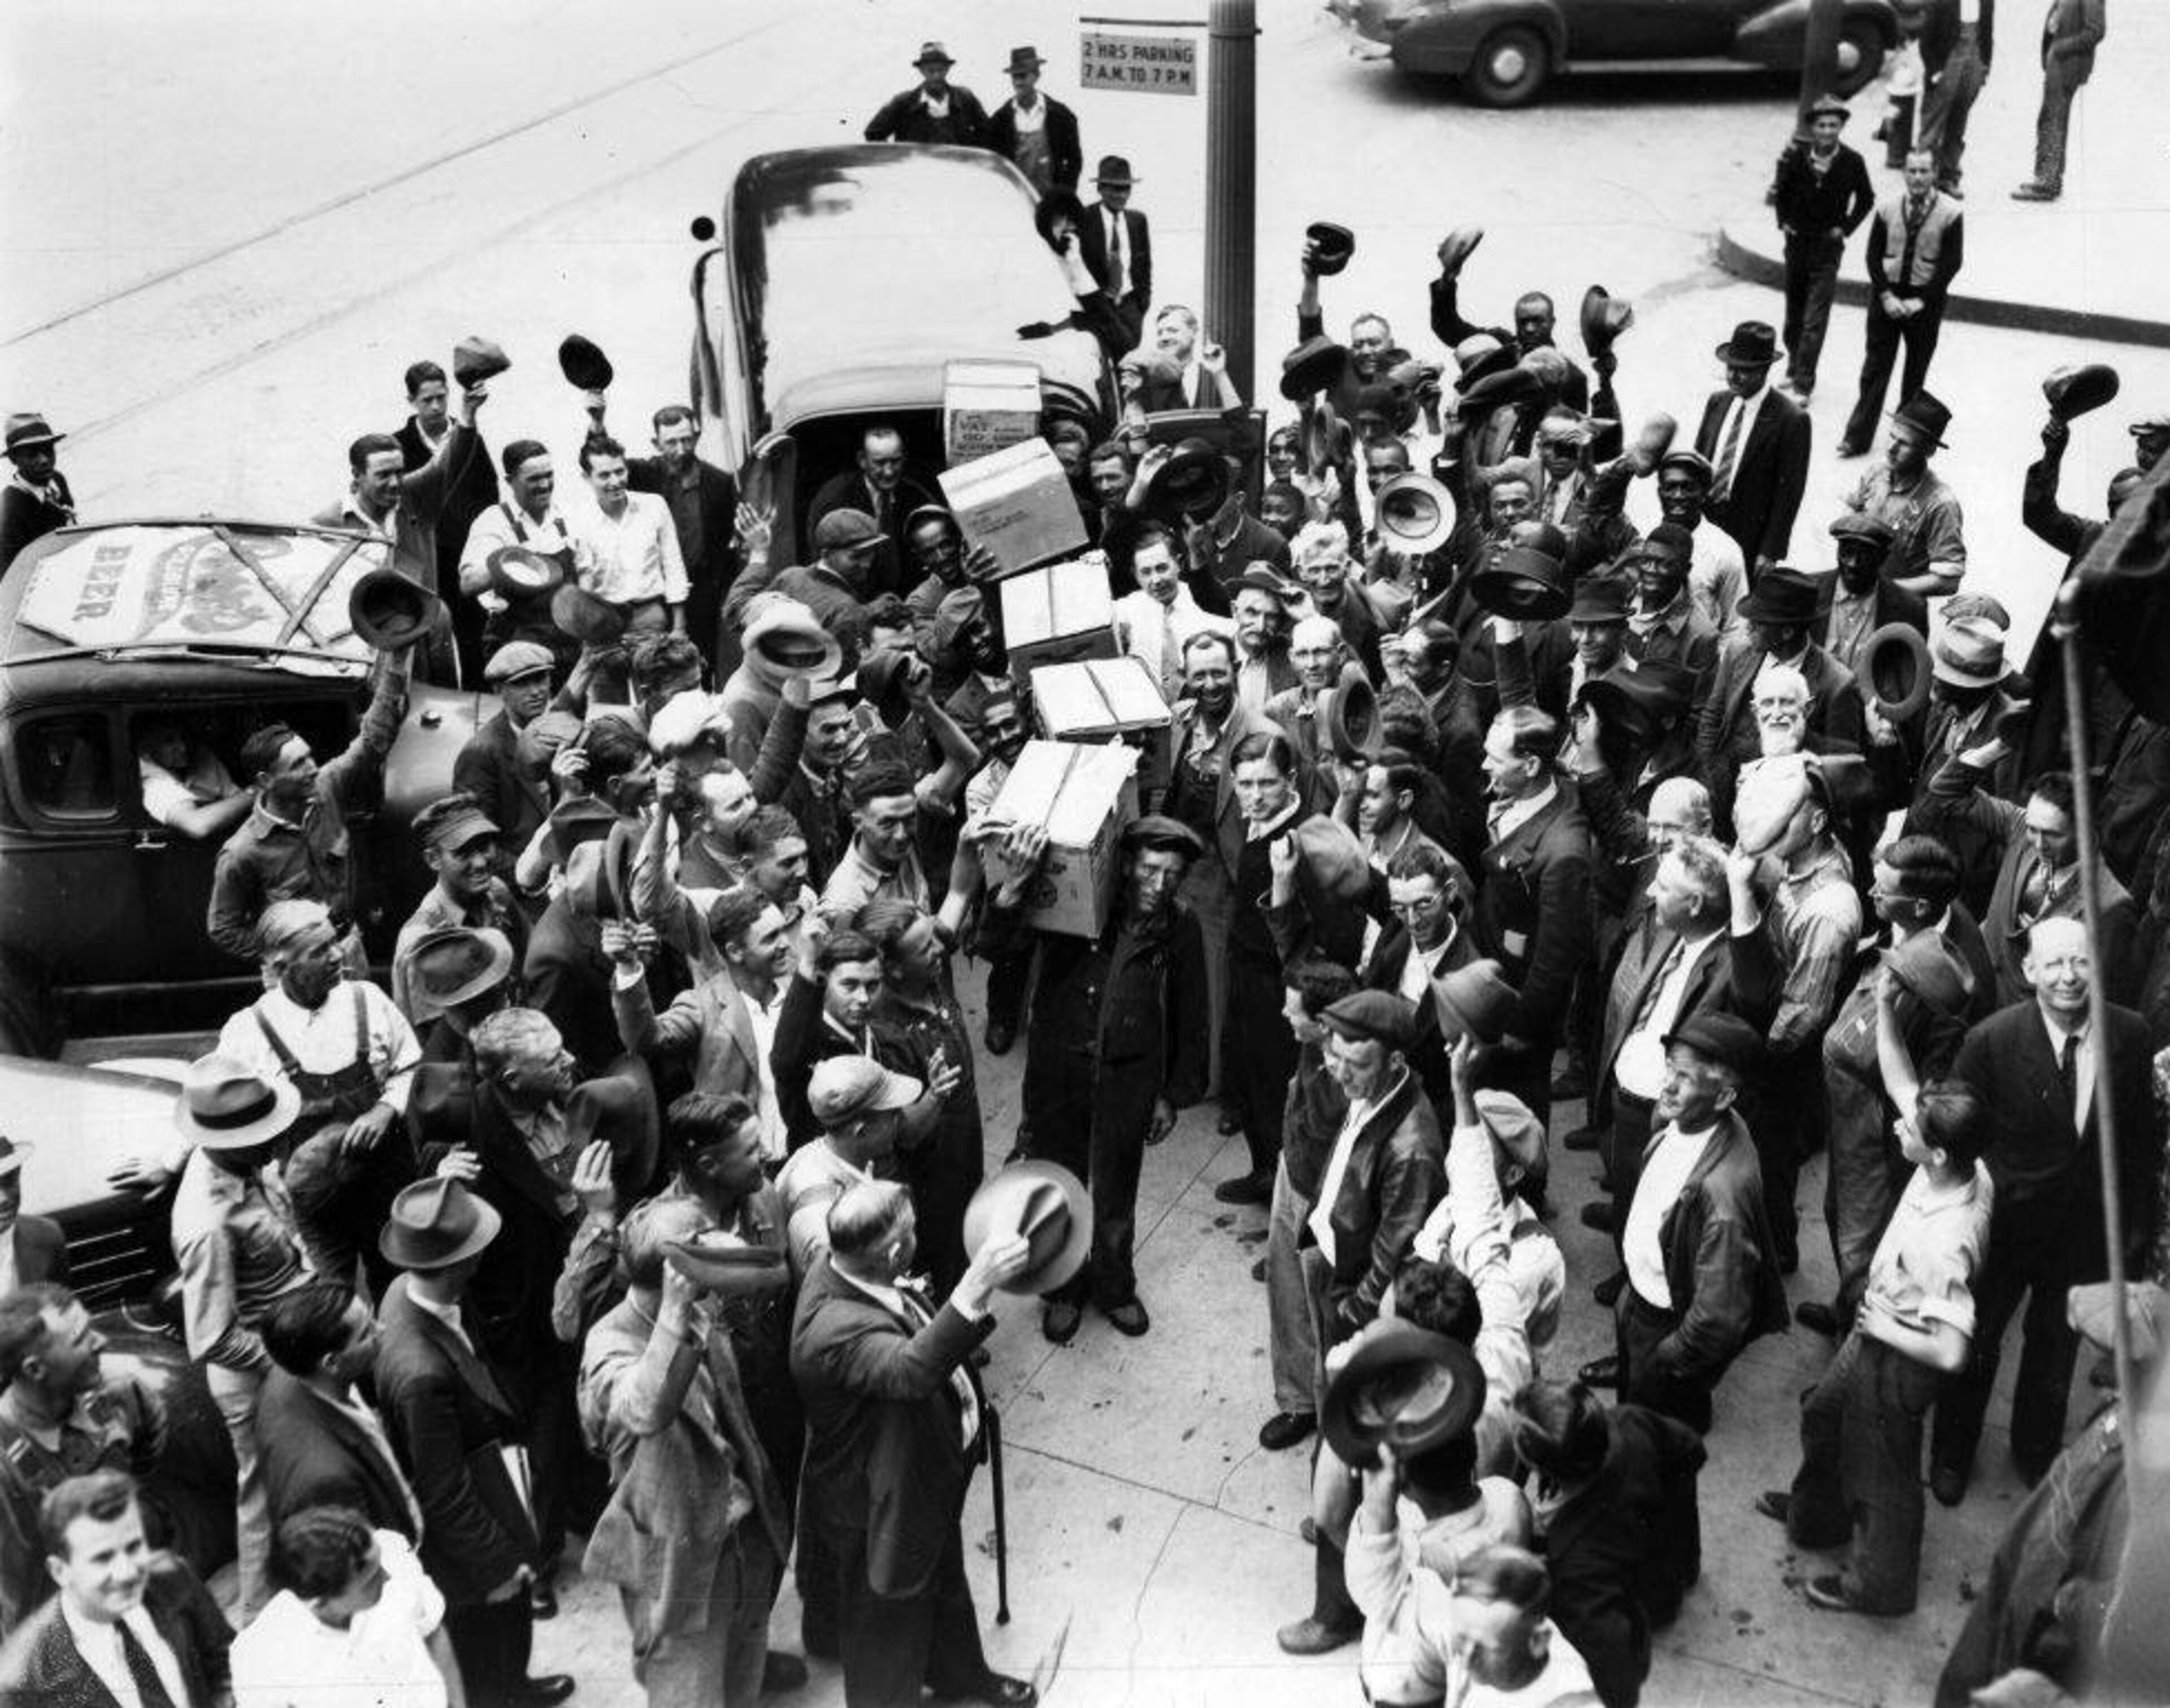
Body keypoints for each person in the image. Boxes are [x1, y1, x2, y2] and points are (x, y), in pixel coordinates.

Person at [1930, 917, 2156, 1499]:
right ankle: (1952, 1455)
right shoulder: (1992, 1040)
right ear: (2029, 971)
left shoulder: (2130, 1036)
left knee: (2055, 1353)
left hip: (2081, 1235)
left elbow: (2138, 1145)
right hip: (2004, 1228)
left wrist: (2133, 1239)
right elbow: (1956, 1137)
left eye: (2080, 962)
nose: (2068, 976)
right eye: (2053, 963)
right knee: (1976, 1344)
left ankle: (2035, 1454)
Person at [789, 1178, 1038, 1708]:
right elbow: (910, 1371)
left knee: (944, 1584)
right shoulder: (833, 1329)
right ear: (896, 1251)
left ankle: (960, 1676)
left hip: (917, 1483)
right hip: (878, 1506)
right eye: (912, 1230)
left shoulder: (850, 1267)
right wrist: (977, 1284)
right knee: (886, 1627)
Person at [1760, 1078, 1991, 1616]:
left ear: (1934, 1153)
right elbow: (1902, 1081)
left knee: (1884, 1474)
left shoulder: (1947, 1241)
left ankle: (1882, 1588)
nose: (1896, 1126)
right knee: (1824, 1414)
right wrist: (1886, 1005)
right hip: (1877, 1327)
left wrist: (1884, 1328)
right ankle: (1819, 1518)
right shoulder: (1963, 1165)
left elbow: (1953, 1351)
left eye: (1908, 1127)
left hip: (1901, 1355)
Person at [980, 817, 1210, 1341]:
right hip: (1058, 1073)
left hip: (1128, 1080)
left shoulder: (1180, 925)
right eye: (1150, 870)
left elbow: (1192, 1014)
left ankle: (1114, 1286)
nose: (1159, 885)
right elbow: (999, 948)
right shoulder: (1075, 908)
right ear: (1125, 865)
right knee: (1058, 1185)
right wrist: (1013, 890)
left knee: (1116, 1189)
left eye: (1172, 875)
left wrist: (1172, 1095)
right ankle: (1062, 1288)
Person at [578, 1195, 791, 1708]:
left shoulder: (700, 1312)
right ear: (674, 1276)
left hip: (742, 1536)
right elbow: (643, 1409)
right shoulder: (609, 1345)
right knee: (686, 1690)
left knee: (743, 1675)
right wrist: (674, 1320)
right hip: (675, 1562)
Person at [373, 1178, 571, 1708]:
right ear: (464, 1262)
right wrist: (498, 1565)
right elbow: (444, 1492)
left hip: (495, 1475)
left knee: (508, 1642)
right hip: (472, 1543)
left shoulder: (407, 1293)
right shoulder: (421, 1375)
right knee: (487, 1645)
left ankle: (516, 1686)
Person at [1580, 1013, 1786, 1433]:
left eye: (1685, 1078)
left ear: (1725, 1097)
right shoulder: (1689, 1119)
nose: (1668, 1085)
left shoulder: (1723, 1195)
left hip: (1662, 1323)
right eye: (1670, 1068)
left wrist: (1667, 1358)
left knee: (1648, 1434)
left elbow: (1719, 1318)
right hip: (1639, 1299)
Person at [214, 899, 421, 1293]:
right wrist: (168, 1164)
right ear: (280, 967)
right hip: (314, 1205)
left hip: (386, 1184)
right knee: (329, 1303)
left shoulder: (368, 1000)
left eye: (335, 941)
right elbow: (216, 1114)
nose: (337, 955)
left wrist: (384, 1109)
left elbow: (410, 1067)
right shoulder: (249, 1032)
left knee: (399, 1283)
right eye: (319, 951)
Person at [170, 1054, 313, 1621]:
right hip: (257, 1369)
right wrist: (288, 1362)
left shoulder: (245, 1163)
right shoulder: (206, 1221)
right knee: (261, 1496)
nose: (272, 1144)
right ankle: (256, 1618)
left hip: (292, 1336)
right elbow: (212, 1337)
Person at [1725, 758, 1864, 1275]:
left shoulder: (1829, 908)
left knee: (1771, 1160)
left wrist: (1752, 1059)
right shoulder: (1802, 860)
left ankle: (1776, 1253)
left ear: (1818, 823)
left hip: (1784, 1062)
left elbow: (1802, 1017)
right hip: (1768, 1031)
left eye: (1784, 821)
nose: (1769, 834)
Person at [1510, 1381, 1707, 1708]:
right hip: (1654, 1540)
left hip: (1643, 1594)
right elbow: (1690, 1449)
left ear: (1537, 1464)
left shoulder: (1575, 1567)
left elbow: (1614, 1667)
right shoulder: (1628, 1422)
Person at [206, 648, 407, 968]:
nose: (312, 768)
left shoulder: (327, 786)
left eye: (310, 757)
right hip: (294, 974)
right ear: (266, 781)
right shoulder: (242, 852)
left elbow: (372, 740)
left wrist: (397, 660)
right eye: (298, 765)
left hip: (348, 947)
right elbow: (223, 928)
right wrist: (286, 955)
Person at [0, 1285, 166, 1640]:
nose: (101, 1341)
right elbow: (14, 1600)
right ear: (35, 1368)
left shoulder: (123, 1393)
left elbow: (146, 1460)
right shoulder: (5, 1465)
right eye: (80, 1339)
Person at [0, 1471, 231, 1708]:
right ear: (60, 1571)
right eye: (103, 1558)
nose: (127, 1572)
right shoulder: (22, 1683)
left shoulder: (173, 1578)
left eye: (134, 1547)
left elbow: (224, 1666)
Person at [313, 382, 488, 681]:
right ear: (356, 476)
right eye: (383, 475)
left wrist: (468, 415)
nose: (395, 483)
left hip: (424, 639)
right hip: (358, 653)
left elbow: (447, 465)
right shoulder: (326, 525)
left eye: (399, 471)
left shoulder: (416, 498)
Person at [1474, 706, 1593, 1132]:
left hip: (1518, 1001)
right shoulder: (1534, 792)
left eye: (1496, 758)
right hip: (1495, 976)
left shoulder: (1564, 852)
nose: (1486, 764)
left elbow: (1555, 958)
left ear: (1529, 765)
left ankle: (1529, 1195)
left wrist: (1522, 1027)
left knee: (1516, 1114)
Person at [232, 1505, 462, 1708]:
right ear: (318, 1601)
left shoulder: (393, 1553)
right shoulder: (259, 1657)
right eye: (370, 1581)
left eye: (379, 1563)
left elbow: (434, 1633)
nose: (388, 1577)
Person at [255, 1284, 422, 1544]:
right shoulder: (326, 1479)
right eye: (367, 1333)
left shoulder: (291, 1372)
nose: (382, 1329)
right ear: (331, 1363)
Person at [1838, 155, 1964, 458]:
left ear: (1935, 173)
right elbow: (1873, 256)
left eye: (1924, 171)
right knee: (1875, 369)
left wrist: (1921, 301)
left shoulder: (1951, 212)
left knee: (1915, 372)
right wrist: (1886, 296)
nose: (1918, 177)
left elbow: (1951, 263)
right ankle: (1856, 438)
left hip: (1925, 302)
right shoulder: (1887, 208)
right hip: (1888, 298)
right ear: (1905, 174)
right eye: (1912, 171)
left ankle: (1903, 439)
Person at [396, 359, 501, 683]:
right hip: (422, 561)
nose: (437, 406)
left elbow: (488, 493)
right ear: (411, 401)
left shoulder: (468, 434)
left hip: (463, 555)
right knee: (426, 638)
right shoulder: (398, 445)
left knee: (473, 636)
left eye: (442, 397)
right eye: (427, 400)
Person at [1769, 96, 1875, 400]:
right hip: (1797, 244)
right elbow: (1782, 191)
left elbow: (1866, 198)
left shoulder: (1853, 161)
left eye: (1834, 125)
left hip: (1827, 249)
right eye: (1822, 125)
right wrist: (1784, 221)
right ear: (1813, 128)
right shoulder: (1796, 157)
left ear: (1841, 127)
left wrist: (1846, 227)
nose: (1828, 131)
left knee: (1815, 318)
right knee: (1794, 314)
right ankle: (1792, 368)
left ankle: (1804, 383)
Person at [392, 795, 527, 1027]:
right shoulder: (420, 941)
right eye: (463, 853)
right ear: (433, 859)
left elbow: (527, 959)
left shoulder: (496, 892)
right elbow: (435, 1039)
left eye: (484, 847)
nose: (480, 863)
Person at [458, 441, 591, 671]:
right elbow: (468, 584)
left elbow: (587, 577)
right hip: (517, 650)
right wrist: (512, 563)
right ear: (510, 481)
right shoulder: (494, 521)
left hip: (569, 646)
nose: (545, 485)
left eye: (549, 475)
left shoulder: (568, 516)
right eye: (534, 479)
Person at [1694, 320, 1811, 574]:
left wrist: (1770, 551)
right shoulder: (1718, 402)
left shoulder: (1791, 420)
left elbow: (1789, 493)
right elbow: (1698, 463)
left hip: (1748, 535)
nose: (1734, 376)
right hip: (1706, 523)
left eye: (1744, 370)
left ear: (1765, 369)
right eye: (1730, 368)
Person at [1842, 391, 1967, 599]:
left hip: (1896, 608)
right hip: (1854, 593)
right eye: (1891, 437)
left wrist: (1885, 590)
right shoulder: (1876, 472)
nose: (1892, 448)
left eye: (1905, 443)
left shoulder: (1941, 504)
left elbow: (1948, 581)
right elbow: (1852, 514)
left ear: (1929, 451)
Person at [453, 644, 557, 869]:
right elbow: (477, 842)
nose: (536, 691)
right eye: (522, 683)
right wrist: (530, 877)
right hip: (519, 884)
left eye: (540, 679)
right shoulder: (481, 753)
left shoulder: (556, 731)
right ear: (499, 690)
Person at [805, 426, 938, 600]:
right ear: (862, 460)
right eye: (880, 463)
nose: (889, 471)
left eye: (895, 461)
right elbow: (823, 567)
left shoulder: (916, 496)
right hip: (852, 600)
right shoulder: (835, 500)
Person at [2013, 0, 2104, 200]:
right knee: (2049, 119)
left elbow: (2096, 31)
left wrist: (2061, 48)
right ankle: (2046, 178)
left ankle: (2048, 183)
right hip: (2058, 62)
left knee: (2053, 121)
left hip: (2069, 64)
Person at [1917, 0, 1994, 197]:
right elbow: (1926, 39)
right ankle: (1922, 183)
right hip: (1948, 61)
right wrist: (1934, 70)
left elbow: (1987, 32)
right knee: (1932, 126)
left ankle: (1948, 177)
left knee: (1958, 122)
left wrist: (1985, 66)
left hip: (1974, 59)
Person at [136, 719, 251, 842]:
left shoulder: (202, 756)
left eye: (183, 738)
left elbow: (234, 794)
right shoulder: (154, 784)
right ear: (146, 749)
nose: (183, 748)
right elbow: (198, 826)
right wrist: (256, 790)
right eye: (169, 741)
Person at [1075, 157, 1151, 346]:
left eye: (1127, 189)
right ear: (1100, 188)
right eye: (1116, 189)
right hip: (1100, 308)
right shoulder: (1084, 219)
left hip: (1130, 308)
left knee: (1130, 367)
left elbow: (1145, 265)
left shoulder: (1137, 221)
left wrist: (1142, 304)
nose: (1122, 195)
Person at [984, 46, 1079, 194]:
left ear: (1036, 75)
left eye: (1023, 76)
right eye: (1014, 77)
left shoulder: (1061, 116)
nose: (1018, 83)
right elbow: (994, 164)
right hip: (1016, 200)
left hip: (1050, 200)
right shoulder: (1000, 120)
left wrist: (1064, 197)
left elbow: (1074, 161)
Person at [864, 42, 989, 146]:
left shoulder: (965, 98)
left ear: (948, 69)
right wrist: (898, 159)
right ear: (921, 70)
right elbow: (873, 134)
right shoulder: (903, 102)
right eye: (931, 71)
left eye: (941, 70)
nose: (936, 76)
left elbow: (987, 132)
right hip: (918, 173)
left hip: (958, 172)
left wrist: (971, 159)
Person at [0, 414, 76, 576]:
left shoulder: (57, 479)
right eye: (33, 454)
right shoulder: (9, 509)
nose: (44, 460)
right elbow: (8, 575)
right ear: (14, 459)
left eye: (49, 450)